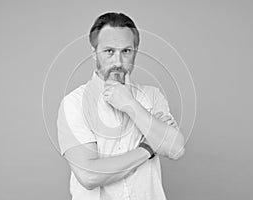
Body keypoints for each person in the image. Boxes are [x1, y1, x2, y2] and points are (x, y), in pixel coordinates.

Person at [57, 12, 185, 200]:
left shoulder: (152, 96)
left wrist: (131, 105)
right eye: (109, 51)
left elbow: (176, 148)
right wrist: (148, 148)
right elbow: (89, 175)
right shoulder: (74, 104)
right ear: (94, 52)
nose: (118, 62)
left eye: (126, 51)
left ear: (135, 51)